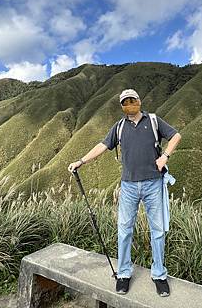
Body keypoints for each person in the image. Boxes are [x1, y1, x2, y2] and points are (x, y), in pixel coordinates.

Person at [67, 88, 182, 297]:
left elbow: (176, 136)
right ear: (122, 106)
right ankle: (124, 274)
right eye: (125, 102)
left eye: (132, 100)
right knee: (124, 230)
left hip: (153, 184)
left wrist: (165, 156)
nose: (129, 104)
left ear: (139, 101)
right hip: (128, 186)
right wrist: (81, 161)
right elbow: (102, 145)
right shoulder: (119, 127)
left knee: (157, 231)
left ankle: (159, 275)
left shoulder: (154, 120)